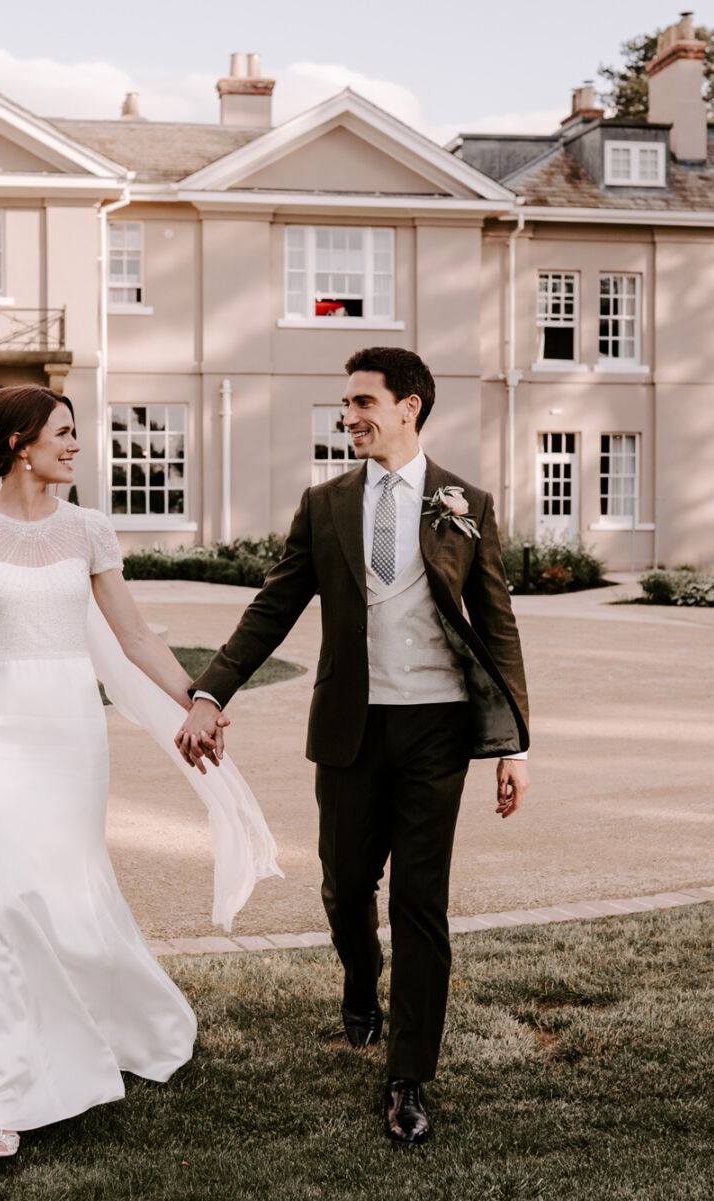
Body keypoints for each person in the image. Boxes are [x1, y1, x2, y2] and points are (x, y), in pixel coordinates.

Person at [0, 384, 276, 1159]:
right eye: (63, 432)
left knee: (71, 889)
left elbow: (133, 634)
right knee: (5, 900)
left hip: (70, 727)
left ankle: (117, 1022)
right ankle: (0, 1095)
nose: (75, 444)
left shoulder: (90, 529)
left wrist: (197, 698)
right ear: (22, 441)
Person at [176, 347, 531, 1146]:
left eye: (364, 401)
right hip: (349, 725)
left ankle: (407, 1078)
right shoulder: (325, 503)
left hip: (436, 726)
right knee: (344, 888)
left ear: (410, 406)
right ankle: (360, 982)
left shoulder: (464, 502)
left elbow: (497, 623)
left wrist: (516, 744)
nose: (350, 416)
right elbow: (274, 607)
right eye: (345, 404)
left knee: (420, 903)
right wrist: (210, 691)